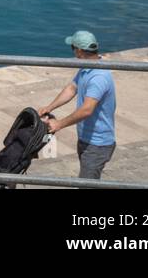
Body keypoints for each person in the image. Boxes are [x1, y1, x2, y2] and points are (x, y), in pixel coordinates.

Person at [39, 30, 117, 181]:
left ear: (79, 51)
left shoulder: (98, 77)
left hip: (97, 144)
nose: (73, 51)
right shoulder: (87, 67)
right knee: (88, 182)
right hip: (86, 139)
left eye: (73, 48)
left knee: (87, 184)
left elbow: (87, 110)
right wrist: (50, 107)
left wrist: (59, 124)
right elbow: (72, 88)